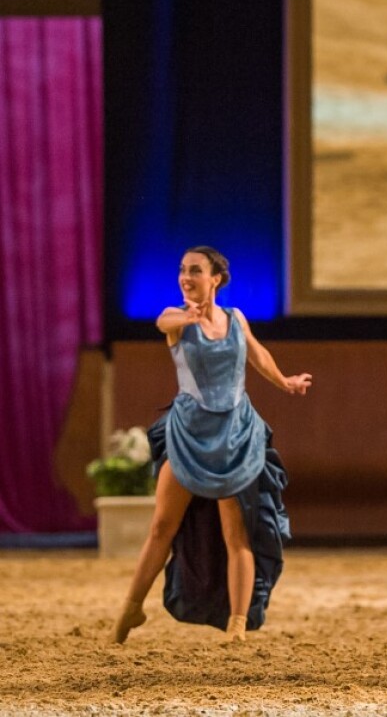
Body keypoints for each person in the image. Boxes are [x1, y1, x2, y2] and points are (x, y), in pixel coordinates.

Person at [112, 247, 312, 645]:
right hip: (189, 434)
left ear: (215, 278)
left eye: (195, 271)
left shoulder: (236, 318)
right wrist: (187, 317)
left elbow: (257, 354)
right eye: (182, 270)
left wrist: (285, 381)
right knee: (162, 527)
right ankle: (131, 608)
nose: (186, 277)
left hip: (235, 437)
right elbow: (163, 321)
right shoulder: (176, 319)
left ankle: (237, 624)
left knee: (237, 533)